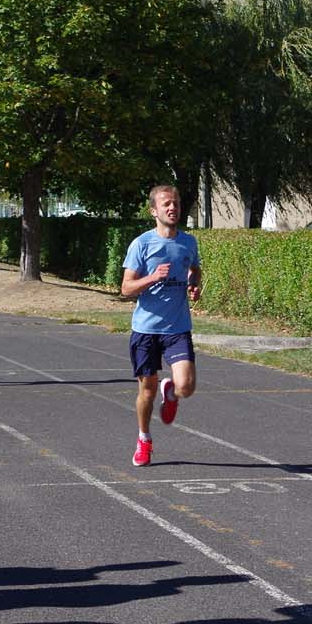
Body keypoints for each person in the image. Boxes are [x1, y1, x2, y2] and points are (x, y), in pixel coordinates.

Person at [119, 184, 201, 468]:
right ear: (154, 211)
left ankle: (173, 393)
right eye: (166, 203)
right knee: (147, 392)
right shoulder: (141, 244)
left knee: (187, 386)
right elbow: (126, 288)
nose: (172, 207)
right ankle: (144, 438)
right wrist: (151, 278)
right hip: (146, 330)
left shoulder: (189, 242)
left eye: (176, 203)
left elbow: (194, 268)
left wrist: (194, 284)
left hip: (177, 327)